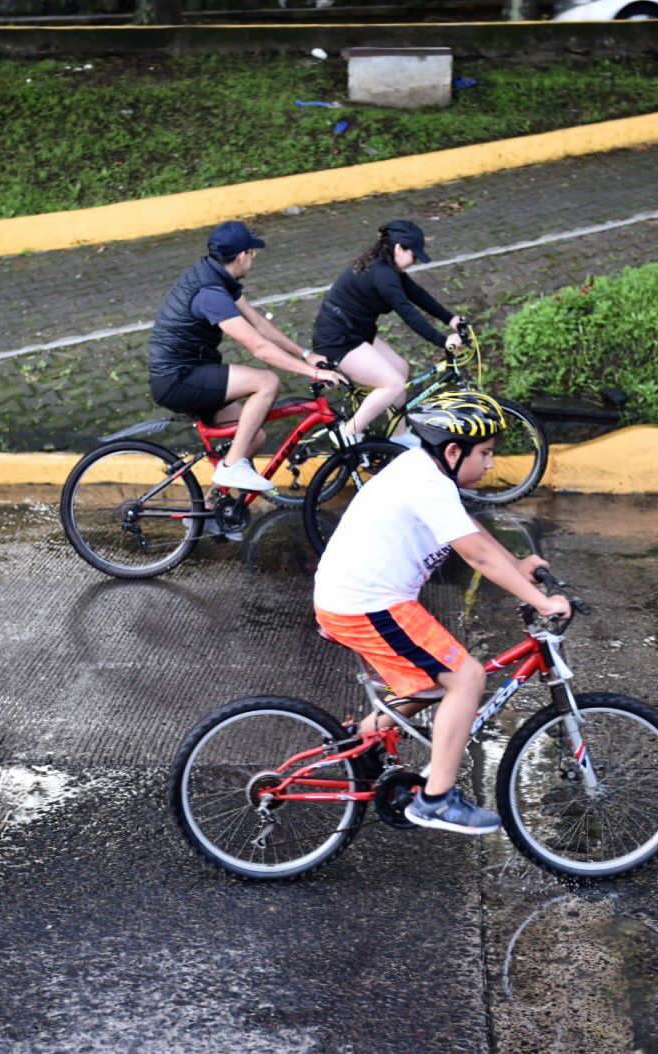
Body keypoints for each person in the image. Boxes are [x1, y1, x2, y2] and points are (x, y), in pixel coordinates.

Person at [313, 391, 571, 835]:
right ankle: (436, 800)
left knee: (435, 680)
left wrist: (518, 568)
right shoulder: (426, 483)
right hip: (367, 604)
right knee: (466, 678)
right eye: (485, 453)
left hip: (363, 600)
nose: (490, 464)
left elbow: (474, 535)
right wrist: (542, 602)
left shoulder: (426, 473)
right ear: (453, 452)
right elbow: (477, 556)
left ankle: (362, 741)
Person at [148, 221, 342, 493]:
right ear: (241, 256)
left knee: (253, 436)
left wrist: (306, 354)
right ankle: (231, 466)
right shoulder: (211, 294)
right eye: (253, 253)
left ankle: (215, 504)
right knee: (267, 382)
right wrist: (314, 373)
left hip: (191, 372)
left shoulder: (217, 276)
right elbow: (259, 347)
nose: (253, 258)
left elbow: (258, 324)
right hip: (178, 379)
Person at [311, 219, 462, 446]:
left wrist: (451, 319)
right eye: (414, 255)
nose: (414, 261)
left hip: (356, 332)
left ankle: (399, 436)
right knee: (393, 384)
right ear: (399, 248)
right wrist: (442, 341)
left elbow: (417, 294)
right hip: (338, 341)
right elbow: (408, 313)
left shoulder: (387, 266)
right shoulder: (383, 274)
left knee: (400, 369)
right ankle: (348, 434)